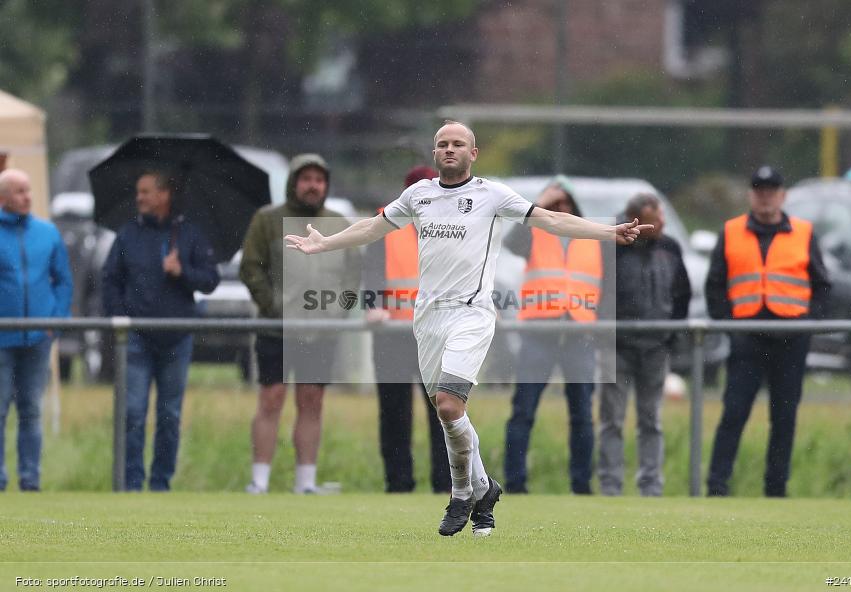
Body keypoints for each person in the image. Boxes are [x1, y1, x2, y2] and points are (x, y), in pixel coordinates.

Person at [285, 121, 651, 536]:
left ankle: (461, 494)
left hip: (471, 315)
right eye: (442, 144)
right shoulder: (418, 195)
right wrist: (322, 243)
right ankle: (485, 490)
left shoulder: (492, 195)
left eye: (458, 143)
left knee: (446, 404)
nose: (449, 149)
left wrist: (609, 232)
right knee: (452, 414)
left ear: (473, 153)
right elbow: (372, 227)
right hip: (426, 319)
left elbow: (550, 220)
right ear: (435, 152)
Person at [705, 166, 830, 497]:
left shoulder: (803, 232)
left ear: (783, 195)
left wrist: (809, 321)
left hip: (790, 339)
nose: (765, 197)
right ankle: (717, 487)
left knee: (784, 418)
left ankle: (776, 489)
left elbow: (822, 285)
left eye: (771, 190)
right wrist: (729, 325)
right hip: (747, 339)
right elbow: (715, 285)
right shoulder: (731, 232)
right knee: (733, 414)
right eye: (759, 190)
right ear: (750, 195)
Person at [240, 154, 361, 494]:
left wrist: (340, 311)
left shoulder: (339, 223)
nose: (313, 185)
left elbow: (352, 277)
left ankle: (305, 482)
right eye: (306, 178)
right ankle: (259, 481)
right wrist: (273, 305)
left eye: (319, 180)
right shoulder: (267, 220)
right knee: (271, 399)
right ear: (294, 182)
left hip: (321, 331)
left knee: (312, 401)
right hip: (276, 329)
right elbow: (251, 267)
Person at [102, 170, 220, 491]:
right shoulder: (127, 235)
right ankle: (130, 483)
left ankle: (160, 484)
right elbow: (110, 280)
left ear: (164, 194)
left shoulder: (190, 235)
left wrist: (182, 272)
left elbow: (210, 280)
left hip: (177, 337)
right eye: (138, 192)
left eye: (145, 191)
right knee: (133, 414)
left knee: (169, 416)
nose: (139, 197)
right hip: (137, 338)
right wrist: (121, 318)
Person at [502, 175, 599, 495]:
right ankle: (515, 484)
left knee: (583, 415)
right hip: (539, 333)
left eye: (564, 203)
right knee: (523, 411)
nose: (560, 209)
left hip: (579, 335)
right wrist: (539, 206)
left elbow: (606, 288)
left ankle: (581, 485)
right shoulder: (534, 233)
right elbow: (512, 242)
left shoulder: (592, 238)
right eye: (554, 204)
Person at [597, 193, 691, 497]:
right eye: (656, 218)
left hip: (655, 348)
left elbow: (682, 295)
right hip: (618, 347)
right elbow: (601, 292)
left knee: (651, 420)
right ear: (637, 220)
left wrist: (671, 336)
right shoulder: (612, 247)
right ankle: (610, 486)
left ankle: (651, 487)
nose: (662, 223)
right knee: (612, 420)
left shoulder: (670, 249)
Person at [364, 166, 451, 494]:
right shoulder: (385, 224)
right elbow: (371, 270)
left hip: (436, 333)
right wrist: (372, 306)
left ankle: (446, 484)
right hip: (393, 336)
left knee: (443, 411)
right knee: (394, 412)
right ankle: (399, 483)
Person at [0, 169, 73, 492]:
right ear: (3, 198)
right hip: (2, 339)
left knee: (31, 408)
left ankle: (30, 479)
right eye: (19, 191)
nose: (27, 196)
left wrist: (53, 323)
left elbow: (64, 281)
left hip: (37, 340)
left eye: (28, 190)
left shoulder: (48, 233)